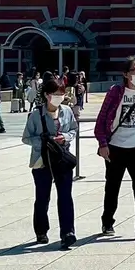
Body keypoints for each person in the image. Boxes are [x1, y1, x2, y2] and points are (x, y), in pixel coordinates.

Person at [94, 57, 135, 240]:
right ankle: (107, 221)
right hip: (115, 146)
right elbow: (101, 121)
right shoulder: (116, 92)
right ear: (125, 74)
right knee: (112, 186)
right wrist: (102, 144)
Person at [23, 76, 78, 248]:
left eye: (62, 93)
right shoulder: (35, 115)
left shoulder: (67, 111)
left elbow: (74, 129)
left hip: (61, 158)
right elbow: (26, 138)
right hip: (42, 160)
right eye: (56, 93)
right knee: (42, 197)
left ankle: (68, 232)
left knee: (65, 197)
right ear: (47, 95)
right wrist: (45, 141)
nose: (59, 96)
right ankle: (41, 231)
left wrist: (65, 137)